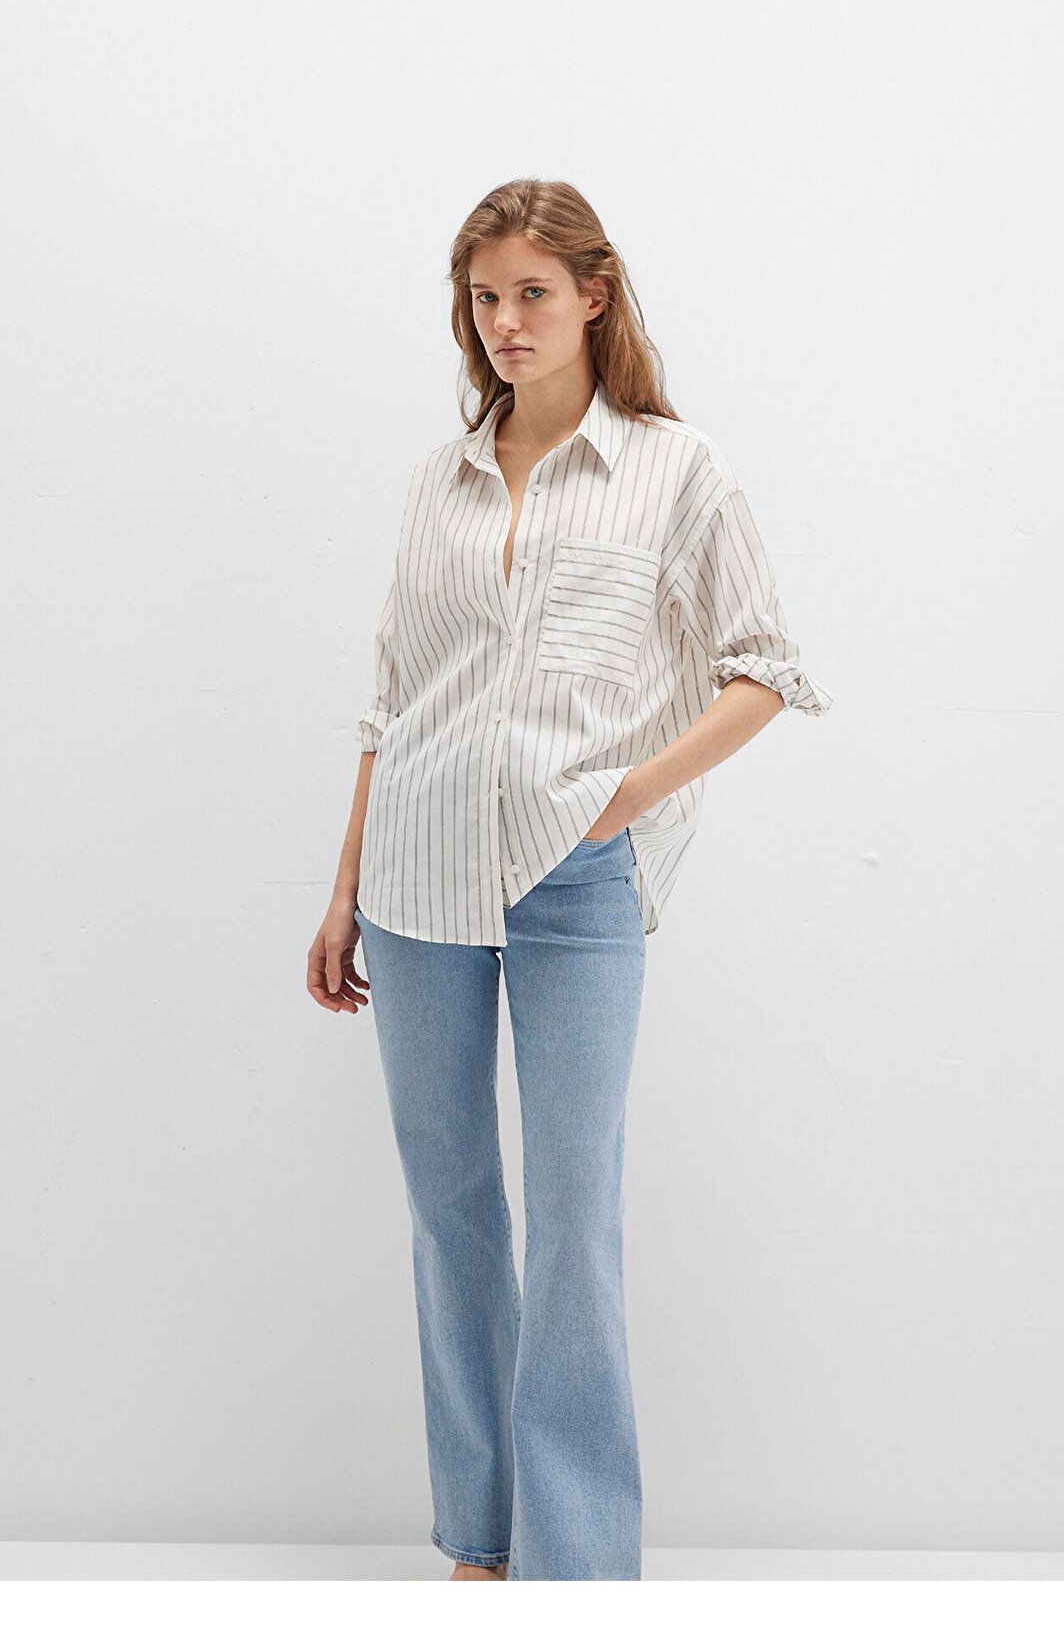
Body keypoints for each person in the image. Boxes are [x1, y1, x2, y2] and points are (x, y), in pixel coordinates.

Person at [308, 178, 833, 1582]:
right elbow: (392, 697)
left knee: (574, 1219)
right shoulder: (440, 479)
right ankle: (482, 1546)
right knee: (451, 1215)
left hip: (578, 878)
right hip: (416, 878)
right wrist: (344, 887)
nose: (505, 321)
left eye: (532, 293)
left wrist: (630, 795)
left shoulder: (677, 469)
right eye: (484, 298)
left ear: (595, 296)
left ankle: (580, 1570)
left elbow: (764, 668)